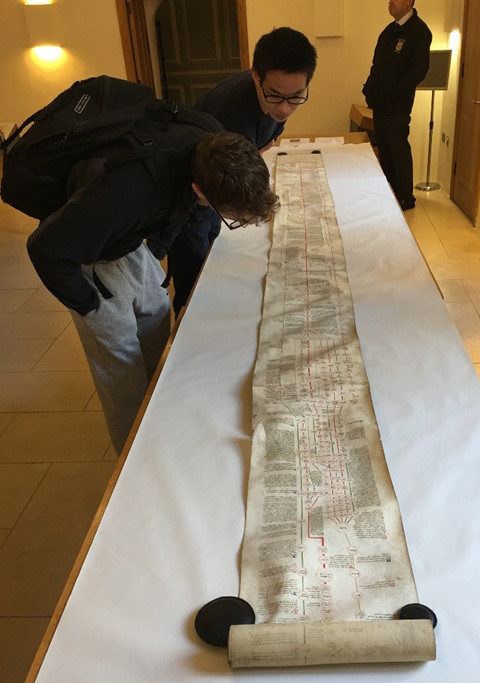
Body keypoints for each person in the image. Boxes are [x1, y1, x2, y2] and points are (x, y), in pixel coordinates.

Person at [27, 123, 279, 455]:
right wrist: (90, 306)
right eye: (232, 217)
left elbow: (177, 211)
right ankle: (132, 460)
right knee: (124, 378)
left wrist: (152, 252)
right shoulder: (125, 196)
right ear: (200, 190)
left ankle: (159, 426)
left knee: (158, 330)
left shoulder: (211, 143)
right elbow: (45, 248)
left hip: (128, 244)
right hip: (89, 261)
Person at [167, 27, 317, 316]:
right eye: (275, 96)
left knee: (218, 259)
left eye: (296, 97)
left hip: (214, 193)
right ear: (255, 76)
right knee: (195, 288)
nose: (285, 108)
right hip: (191, 201)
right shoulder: (231, 115)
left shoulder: (274, 101)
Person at [362, 0, 431, 211]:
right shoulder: (388, 31)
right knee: (384, 149)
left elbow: (419, 70)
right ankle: (389, 192)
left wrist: (397, 93)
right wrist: (369, 90)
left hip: (398, 106)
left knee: (398, 148)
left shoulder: (419, 31)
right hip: (380, 104)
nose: (390, 2)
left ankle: (405, 197)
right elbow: (377, 66)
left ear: (410, 2)